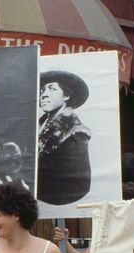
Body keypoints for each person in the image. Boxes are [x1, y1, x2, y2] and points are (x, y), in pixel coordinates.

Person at [37, 70, 91, 205]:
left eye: (52, 89)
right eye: (42, 91)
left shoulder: (75, 133)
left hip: (54, 204)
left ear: (66, 95)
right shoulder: (38, 125)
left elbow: (77, 186)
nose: (44, 95)